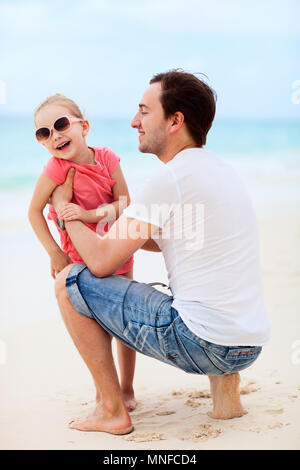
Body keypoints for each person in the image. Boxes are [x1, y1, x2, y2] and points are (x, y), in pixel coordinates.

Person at [52, 70, 270, 435]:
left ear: (175, 121)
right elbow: (173, 239)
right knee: (208, 295)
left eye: (144, 112)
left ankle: (111, 409)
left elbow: (102, 263)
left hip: (203, 343)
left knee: (69, 280)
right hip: (247, 344)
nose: (134, 122)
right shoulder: (219, 171)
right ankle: (226, 398)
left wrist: (65, 212)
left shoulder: (168, 179)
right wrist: (107, 218)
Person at [28, 94, 136, 412]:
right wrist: (54, 253)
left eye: (61, 125)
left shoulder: (107, 159)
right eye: (43, 133)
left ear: (83, 127)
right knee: (95, 325)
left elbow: (124, 202)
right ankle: (106, 389)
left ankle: (127, 389)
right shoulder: (55, 168)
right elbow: (34, 212)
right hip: (79, 255)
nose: (55, 135)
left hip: (117, 246)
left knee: (124, 322)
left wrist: (90, 216)